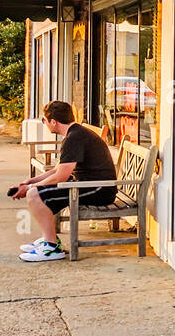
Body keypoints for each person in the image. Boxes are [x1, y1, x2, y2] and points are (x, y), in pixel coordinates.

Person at [9, 100, 117, 262]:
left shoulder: (74, 138)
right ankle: (49, 238)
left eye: (44, 120)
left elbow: (61, 177)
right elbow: (57, 170)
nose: (44, 123)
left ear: (54, 122)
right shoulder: (75, 134)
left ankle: (51, 247)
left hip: (99, 190)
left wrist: (31, 188)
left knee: (34, 195)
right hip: (87, 185)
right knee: (35, 191)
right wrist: (29, 182)